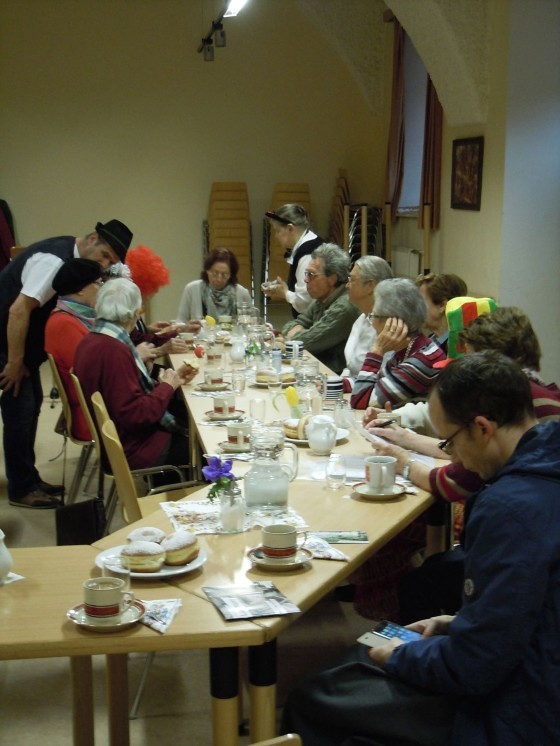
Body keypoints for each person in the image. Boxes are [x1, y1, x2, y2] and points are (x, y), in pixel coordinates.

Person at [281, 352, 560, 746]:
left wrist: (401, 656)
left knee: (315, 698)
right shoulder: (545, 464)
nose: (452, 456)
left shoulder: (510, 509)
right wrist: (457, 623)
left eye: (449, 442)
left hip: (527, 710)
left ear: (482, 428)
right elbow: (527, 605)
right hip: (534, 665)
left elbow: (478, 664)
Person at [0, 218, 132, 509]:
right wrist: (14, 361)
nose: (103, 265)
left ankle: (29, 479)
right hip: (5, 340)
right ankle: (22, 488)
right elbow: (18, 310)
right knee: (20, 410)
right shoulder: (53, 261)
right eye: (104, 255)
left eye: (110, 261)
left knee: (30, 406)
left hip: (17, 345)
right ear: (92, 238)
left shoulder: (68, 256)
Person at [74, 278, 197, 475]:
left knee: (189, 415)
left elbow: (123, 397)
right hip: (136, 449)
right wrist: (167, 386)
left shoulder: (91, 340)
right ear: (134, 313)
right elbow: (137, 416)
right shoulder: (115, 350)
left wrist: (168, 382)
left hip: (119, 441)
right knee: (207, 448)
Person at [350, 277, 445, 409]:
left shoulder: (422, 361)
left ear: (393, 322)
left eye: (373, 316)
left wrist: (377, 350)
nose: (372, 323)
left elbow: (360, 400)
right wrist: (339, 383)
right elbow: (376, 381)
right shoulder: (410, 348)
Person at [45, 259, 103, 441]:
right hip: (93, 415)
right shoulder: (64, 324)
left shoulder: (73, 318)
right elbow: (92, 375)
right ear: (80, 289)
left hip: (95, 406)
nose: (101, 289)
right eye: (98, 283)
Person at [281, 243, 359, 374]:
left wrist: (296, 335)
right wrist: (298, 333)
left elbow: (304, 342)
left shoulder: (344, 306)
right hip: (317, 370)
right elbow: (293, 324)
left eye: (311, 274)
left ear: (332, 279)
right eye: (306, 273)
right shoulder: (321, 298)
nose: (306, 280)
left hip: (335, 377)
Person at [262, 204, 324, 317]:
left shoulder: (307, 253)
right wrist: (282, 289)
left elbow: (304, 303)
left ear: (290, 228)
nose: (276, 236)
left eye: (278, 231)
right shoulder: (310, 243)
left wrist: (285, 293)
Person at [342, 255, 393, 380]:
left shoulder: (387, 327)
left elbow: (381, 377)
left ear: (370, 285)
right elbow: (350, 368)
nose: (347, 285)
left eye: (351, 280)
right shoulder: (361, 319)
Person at [176, 247, 251, 323]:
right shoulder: (192, 289)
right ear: (207, 270)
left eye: (224, 274)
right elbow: (180, 322)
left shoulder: (242, 293)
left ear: (231, 274)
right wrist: (189, 327)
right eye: (215, 273)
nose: (219, 279)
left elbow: (250, 323)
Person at [415, 272, 468, 352]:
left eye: (421, 302)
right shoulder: (431, 340)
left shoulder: (455, 351)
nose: (416, 308)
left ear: (442, 306)